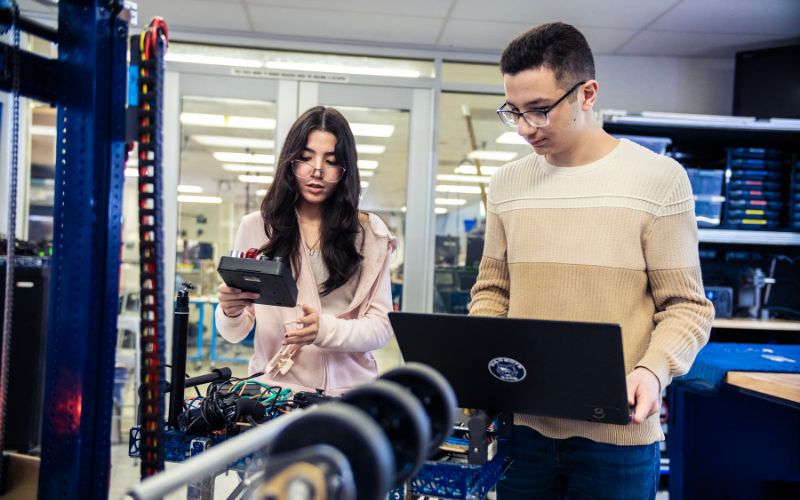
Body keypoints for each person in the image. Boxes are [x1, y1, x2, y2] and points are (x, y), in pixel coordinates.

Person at [469, 22, 714, 499]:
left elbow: (688, 307)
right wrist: (483, 361)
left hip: (617, 440)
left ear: (587, 94)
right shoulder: (507, 184)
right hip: (523, 433)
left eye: (540, 110)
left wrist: (653, 369)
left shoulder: (659, 180)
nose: (525, 129)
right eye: (513, 112)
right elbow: (492, 292)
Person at [215, 106, 397, 395]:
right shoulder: (257, 227)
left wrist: (323, 330)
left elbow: (380, 328)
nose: (317, 171)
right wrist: (229, 310)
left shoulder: (368, 234)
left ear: (346, 170)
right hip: (275, 390)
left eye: (331, 161)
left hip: (348, 394)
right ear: (290, 161)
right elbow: (233, 333)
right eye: (306, 158)